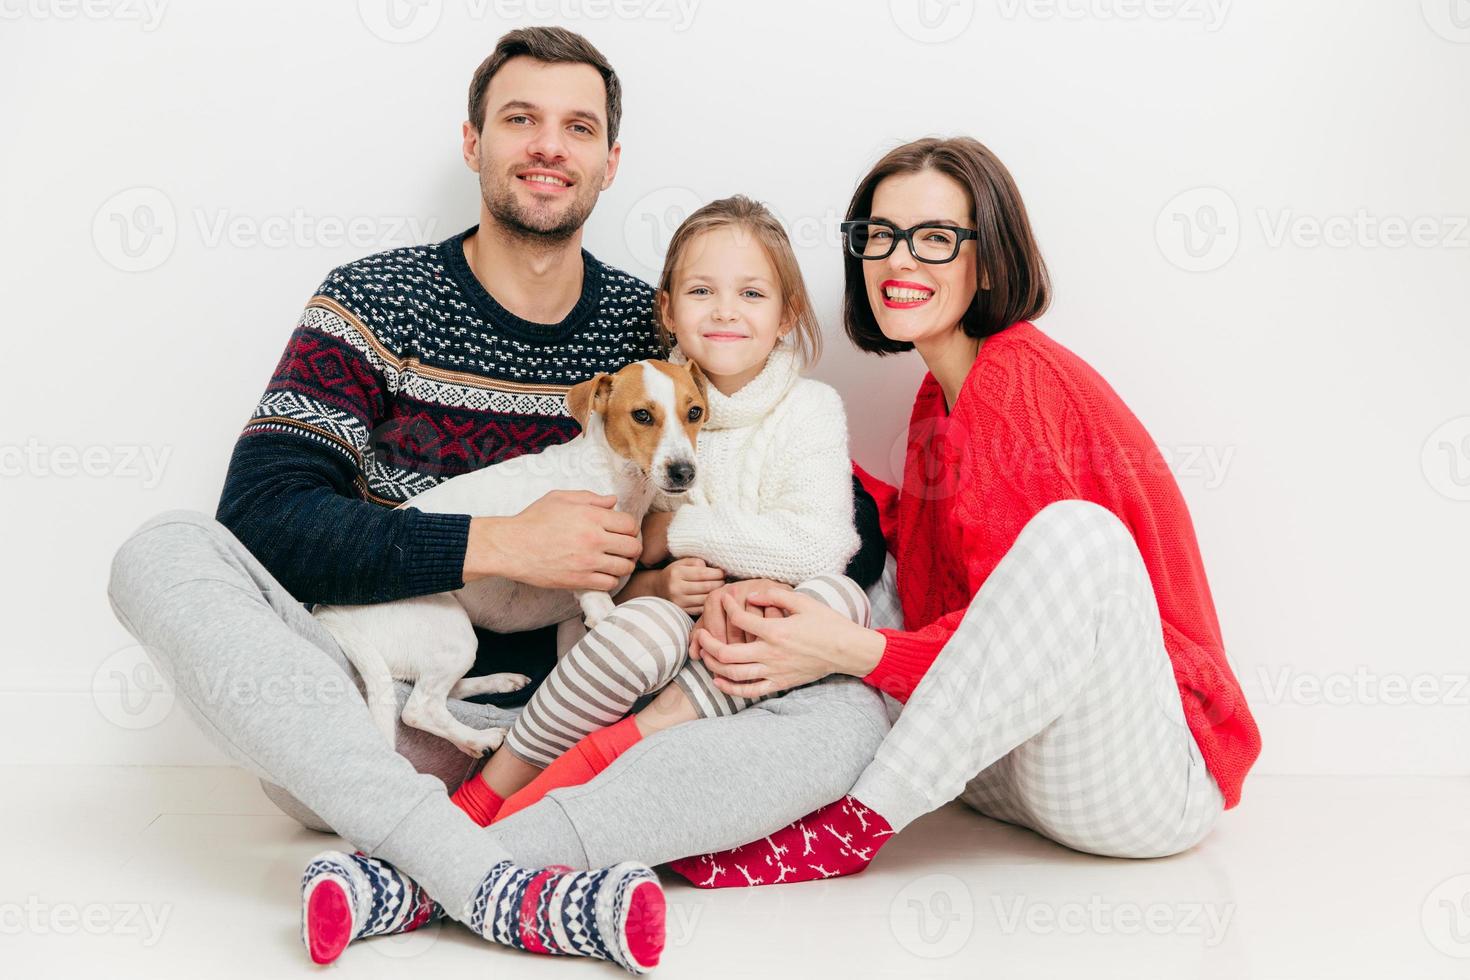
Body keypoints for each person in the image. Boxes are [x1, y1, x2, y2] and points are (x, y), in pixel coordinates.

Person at [105, 27, 888, 975]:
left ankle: (423, 873)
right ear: (474, 143)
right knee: (164, 551)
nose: (549, 145)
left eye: (578, 127)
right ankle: (499, 882)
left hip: (591, 724)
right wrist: (497, 543)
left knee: (851, 714)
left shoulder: (660, 327)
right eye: (521, 119)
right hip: (373, 720)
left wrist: (715, 591)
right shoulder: (374, 300)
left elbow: (836, 513)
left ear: (609, 162)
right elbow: (264, 519)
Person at [661, 135, 1263, 888]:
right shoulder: (936, 398)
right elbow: (924, 557)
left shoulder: (1015, 381)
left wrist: (848, 648)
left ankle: (853, 827)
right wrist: (766, 444)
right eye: (879, 236)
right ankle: (704, 786)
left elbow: (1022, 631)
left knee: (1081, 538)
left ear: (986, 261)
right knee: (846, 566)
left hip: (1141, 778)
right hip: (1002, 771)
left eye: (935, 239)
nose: (898, 260)